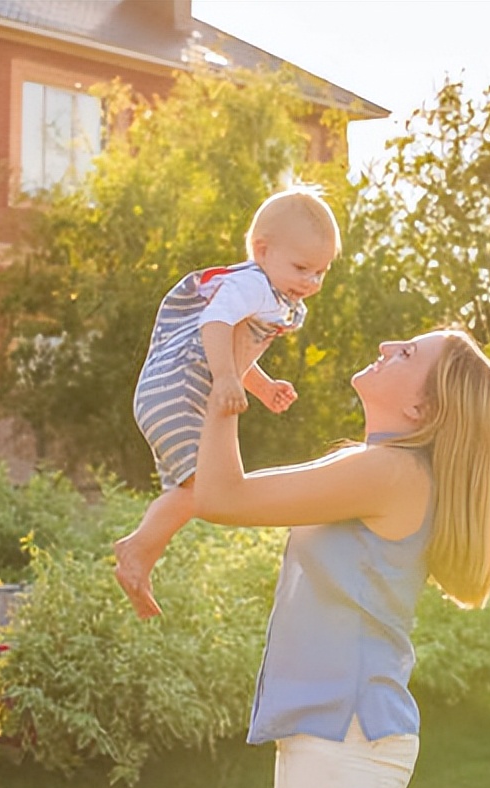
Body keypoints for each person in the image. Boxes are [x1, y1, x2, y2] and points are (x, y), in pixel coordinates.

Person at [154, 327, 490, 788]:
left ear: (421, 408)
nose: (386, 346)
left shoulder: (388, 472)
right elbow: (224, 492)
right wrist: (144, 541)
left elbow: (222, 497)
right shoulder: (373, 466)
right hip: (336, 737)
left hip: (346, 739)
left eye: (407, 353)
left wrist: (228, 375)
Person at [114, 186, 340, 619]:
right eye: (301, 268)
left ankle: (138, 553)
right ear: (263, 250)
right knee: (205, 490)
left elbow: (237, 352)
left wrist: (262, 386)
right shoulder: (251, 284)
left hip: (177, 391)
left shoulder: (277, 296)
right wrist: (224, 379)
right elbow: (215, 323)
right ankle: (136, 552)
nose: (310, 282)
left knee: (192, 492)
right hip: (178, 388)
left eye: (320, 272)